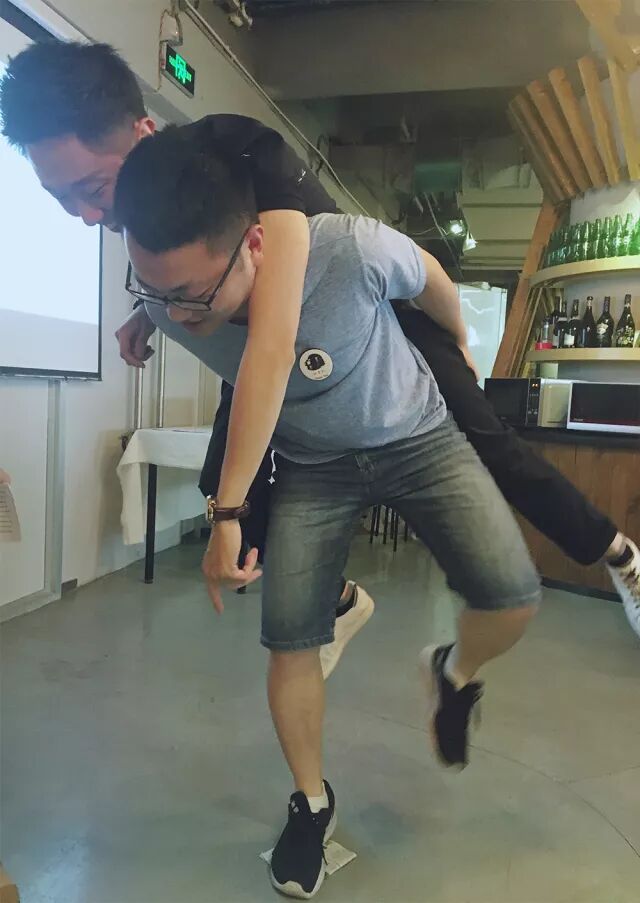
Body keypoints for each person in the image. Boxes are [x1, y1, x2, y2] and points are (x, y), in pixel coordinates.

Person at [1, 41, 637, 646]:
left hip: (377, 322)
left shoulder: (251, 156)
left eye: (92, 190)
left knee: (490, 443)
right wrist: (150, 310)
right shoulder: (144, 199)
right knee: (219, 481)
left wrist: (460, 342)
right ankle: (337, 601)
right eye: (61, 199)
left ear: (142, 133)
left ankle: (617, 553)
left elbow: (274, 343)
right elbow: (191, 275)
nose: (87, 215)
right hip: (270, 346)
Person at [112, 126, 546, 897]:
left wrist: (460, 351)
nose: (179, 314)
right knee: (288, 640)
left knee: (512, 595)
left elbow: (433, 277)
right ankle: (311, 802)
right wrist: (149, 311)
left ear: (253, 245)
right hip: (313, 465)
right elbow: (189, 311)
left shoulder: (351, 249)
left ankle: (453, 670)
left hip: (417, 435)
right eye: (154, 291)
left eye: (191, 295)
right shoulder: (179, 299)